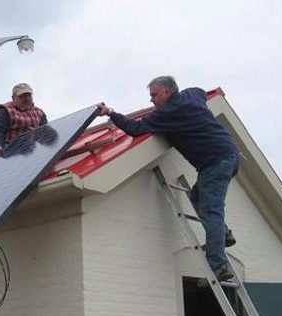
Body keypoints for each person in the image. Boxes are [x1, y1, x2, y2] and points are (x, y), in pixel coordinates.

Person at [97, 76, 240, 281]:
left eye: (154, 95)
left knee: (211, 211)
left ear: (166, 92)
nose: (152, 101)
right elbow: (201, 91)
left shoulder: (168, 112)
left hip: (214, 163)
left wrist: (111, 113)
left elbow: (135, 129)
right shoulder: (191, 95)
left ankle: (218, 265)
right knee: (198, 198)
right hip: (230, 156)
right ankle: (223, 235)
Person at [0, 82, 48, 162]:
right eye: (22, 96)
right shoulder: (5, 112)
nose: (26, 98)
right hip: (4, 148)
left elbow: (46, 135)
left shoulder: (40, 114)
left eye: (29, 95)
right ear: (13, 98)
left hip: (28, 149)